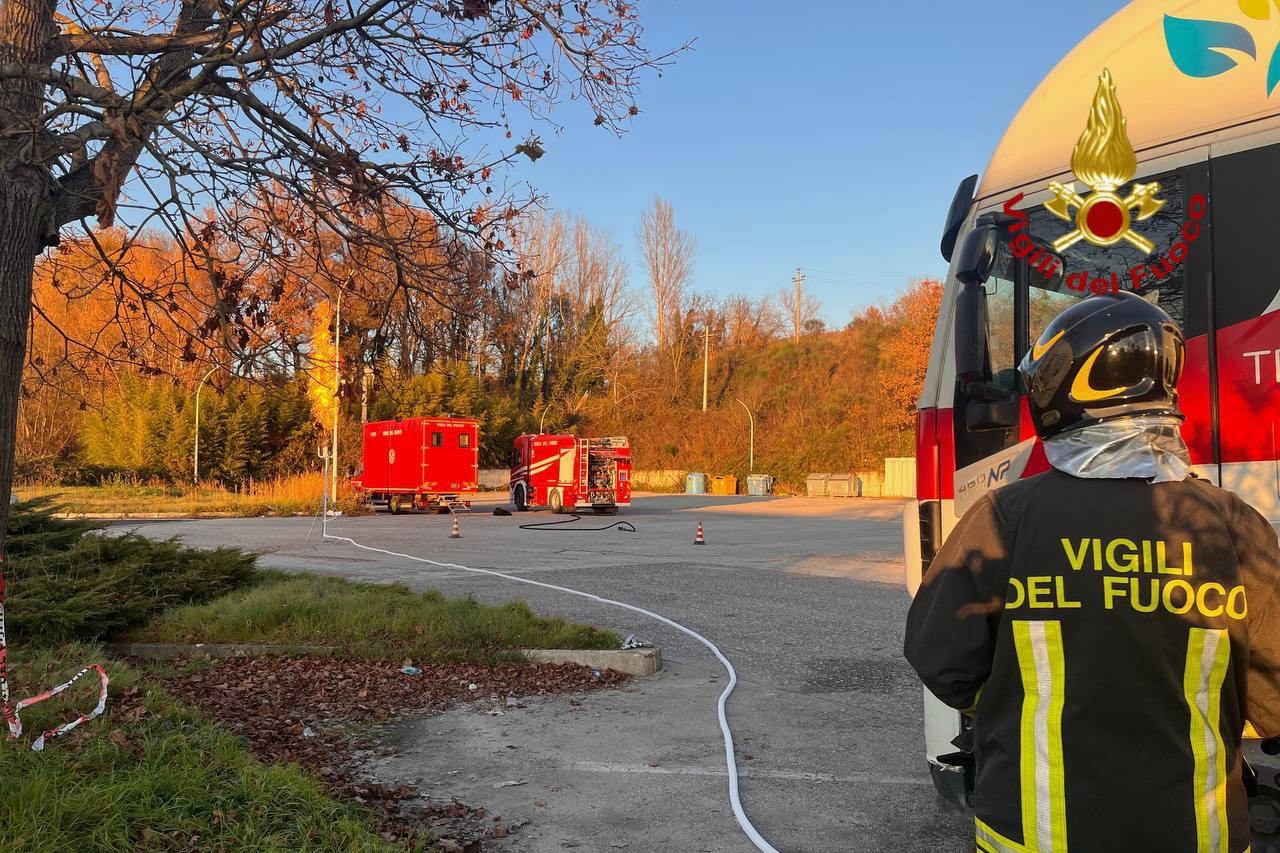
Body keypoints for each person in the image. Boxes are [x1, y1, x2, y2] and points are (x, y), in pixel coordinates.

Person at [904, 291, 1280, 853]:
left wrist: (1017, 701)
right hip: (1196, 835)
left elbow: (939, 658)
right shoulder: (1233, 527)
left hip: (1035, 833)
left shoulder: (1006, 517)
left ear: (1058, 395)